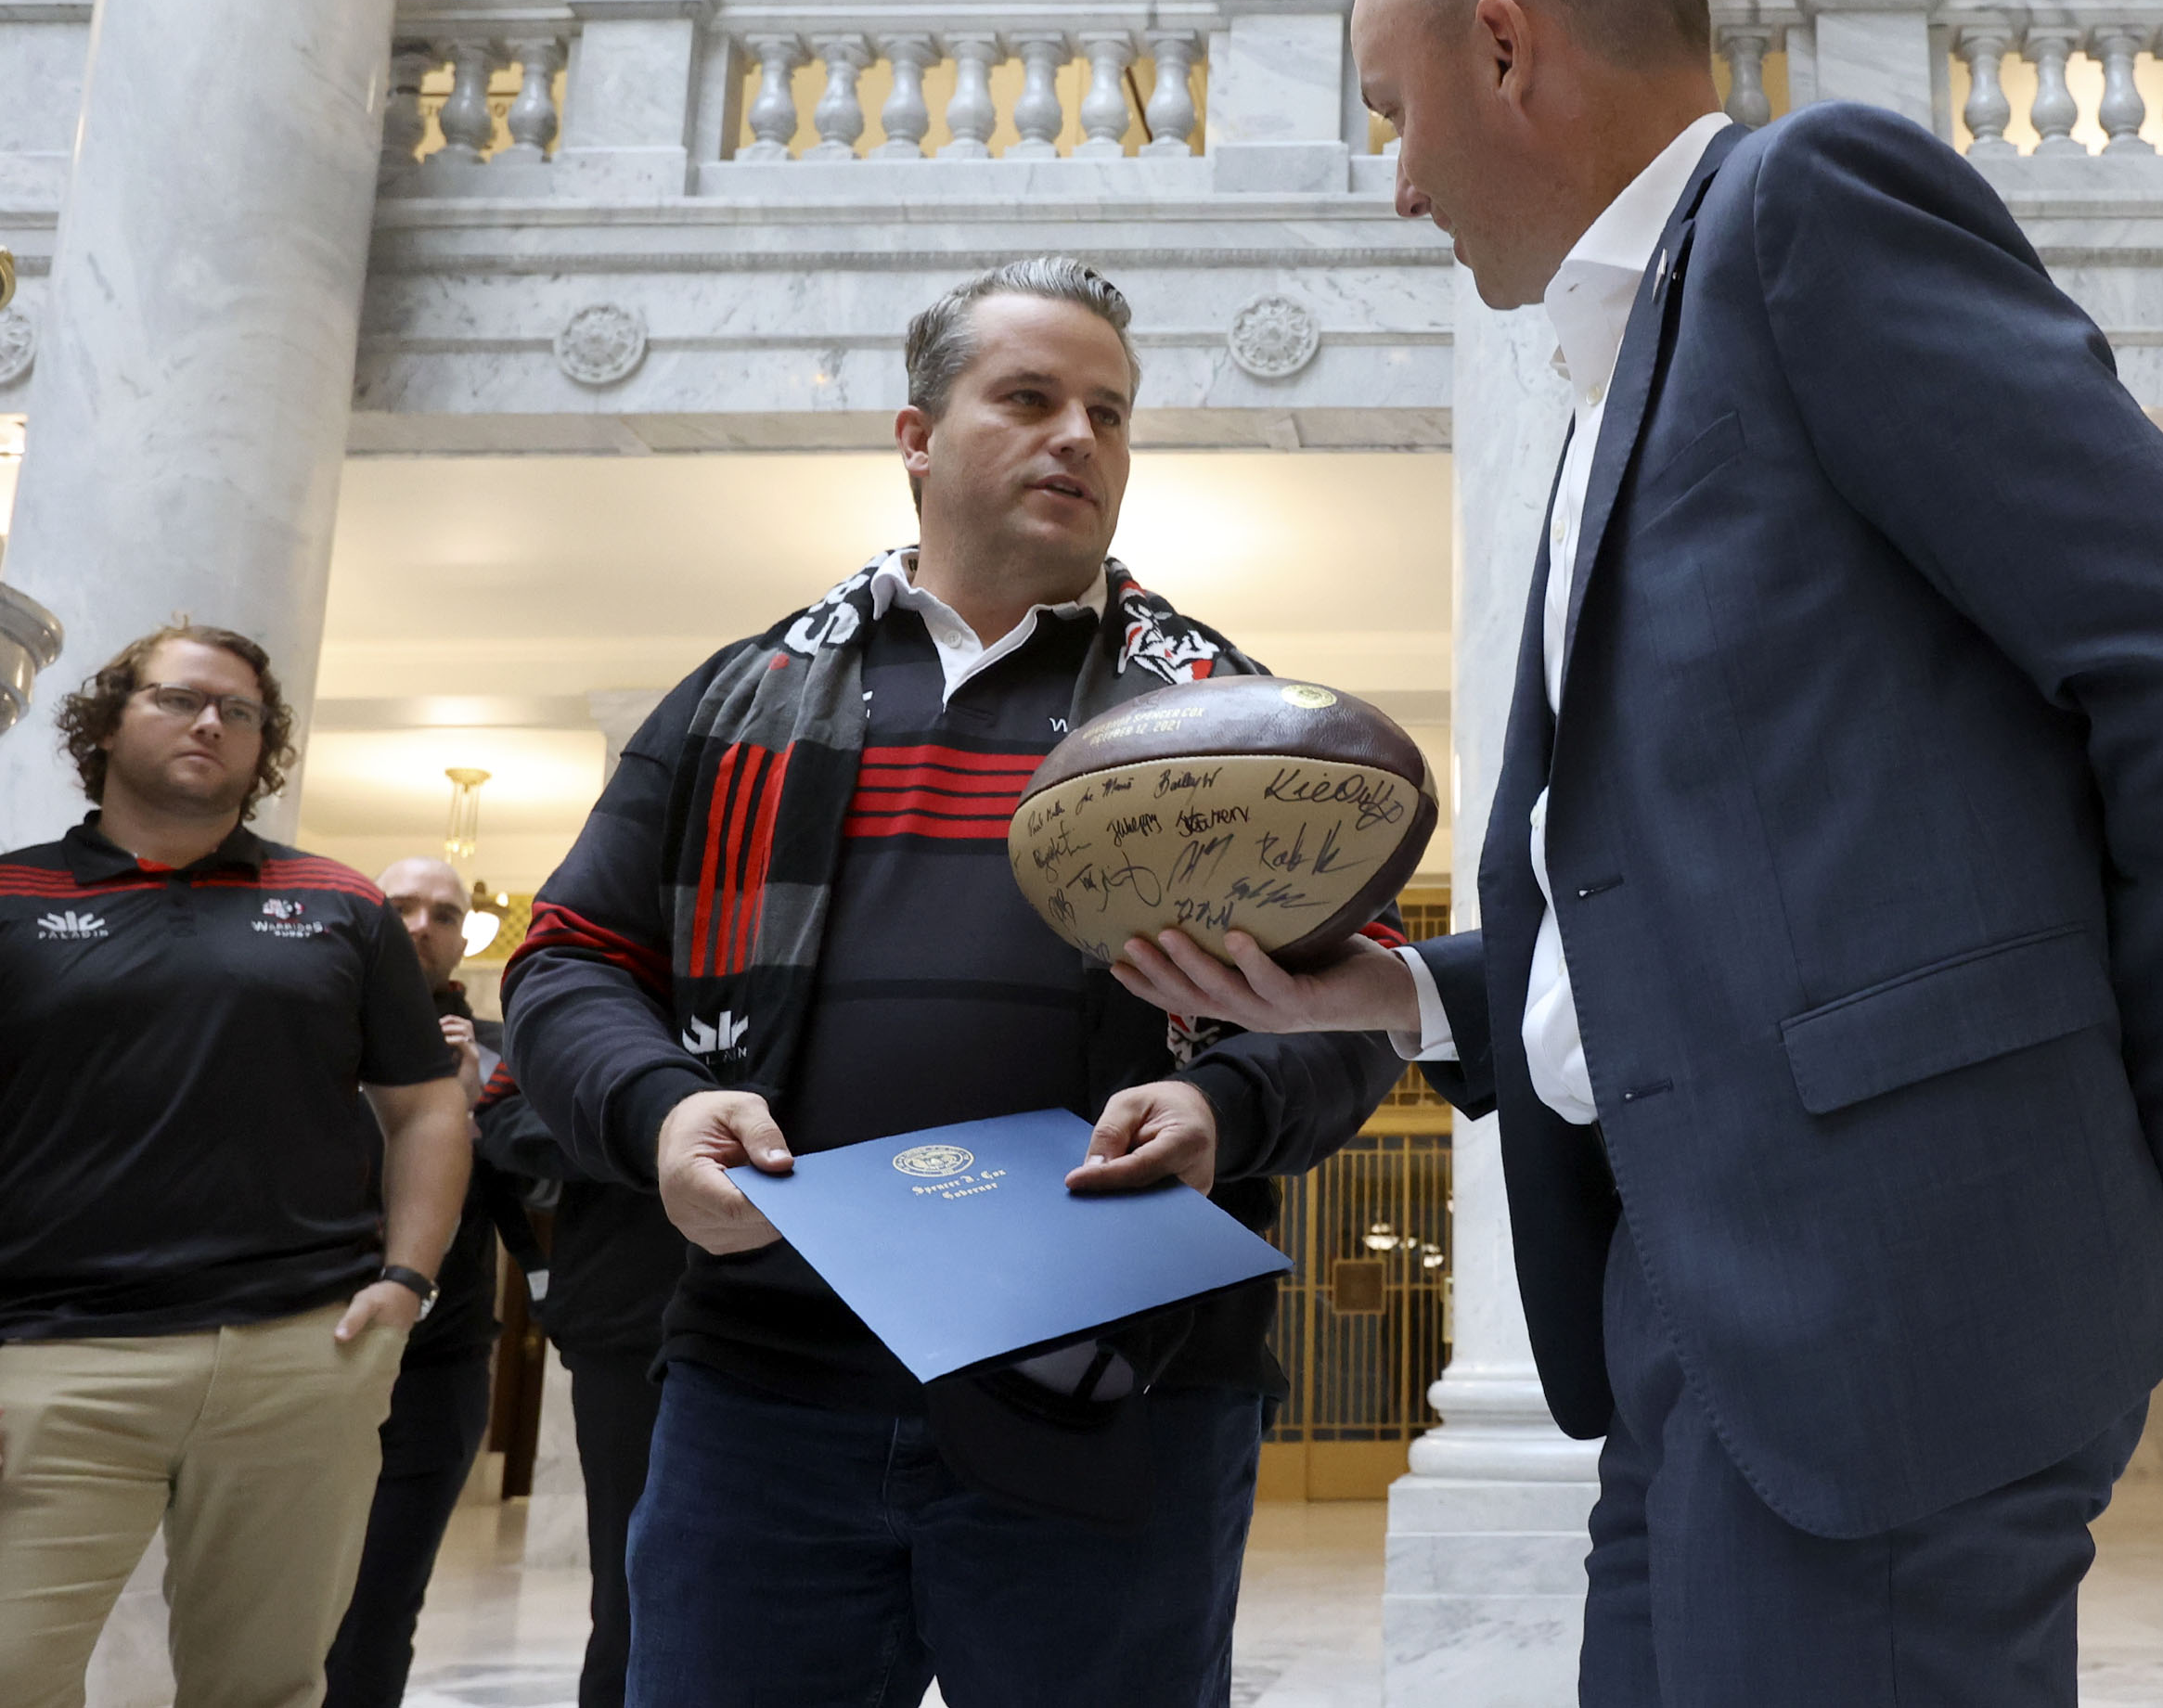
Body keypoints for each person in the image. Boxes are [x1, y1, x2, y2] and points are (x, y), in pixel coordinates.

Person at [1111, 0, 2163, 1708]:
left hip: (1896, 1299)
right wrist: (1391, 992)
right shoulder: (1618, 380)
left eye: (1394, 113)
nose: (1398, 187)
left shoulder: (1803, 207)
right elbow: (1674, 891)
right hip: (1695, 1295)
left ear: (1506, 48)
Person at [500, 257, 1404, 1708]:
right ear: (916, 434)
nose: (1080, 440)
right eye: (1032, 398)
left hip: (1119, 1387)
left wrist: (1223, 1099)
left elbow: (1358, 1000)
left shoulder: (1225, 712)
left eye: (1110, 414)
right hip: (766, 1385)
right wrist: (661, 1111)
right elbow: (570, 961)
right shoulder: (737, 698)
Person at [0, 623, 471, 1705]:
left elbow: (427, 1109)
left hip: (302, 1353)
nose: (211, 722)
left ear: (265, 749)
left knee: (263, 1688)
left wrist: (406, 1281)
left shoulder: (344, 909)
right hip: (57, 1363)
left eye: (241, 712)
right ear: (109, 722)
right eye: (176, 699)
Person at [326, 856, 539, 1708]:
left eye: (445, 914)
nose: (422, 925)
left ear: (462, 941)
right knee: (273, 1603)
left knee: (378, 1607)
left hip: (436, 1367)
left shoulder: (497, 1053)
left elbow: (542, 1204)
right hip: (302, 1349)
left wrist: (471, 1107)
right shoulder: (308, 1026)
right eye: (401, 906)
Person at [475, 1037, 689, 1708]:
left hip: (810, 1327)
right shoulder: (604, 974)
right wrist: (653, 1125)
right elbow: (502, 1118)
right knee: (632, 1600)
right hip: (630, 1327)